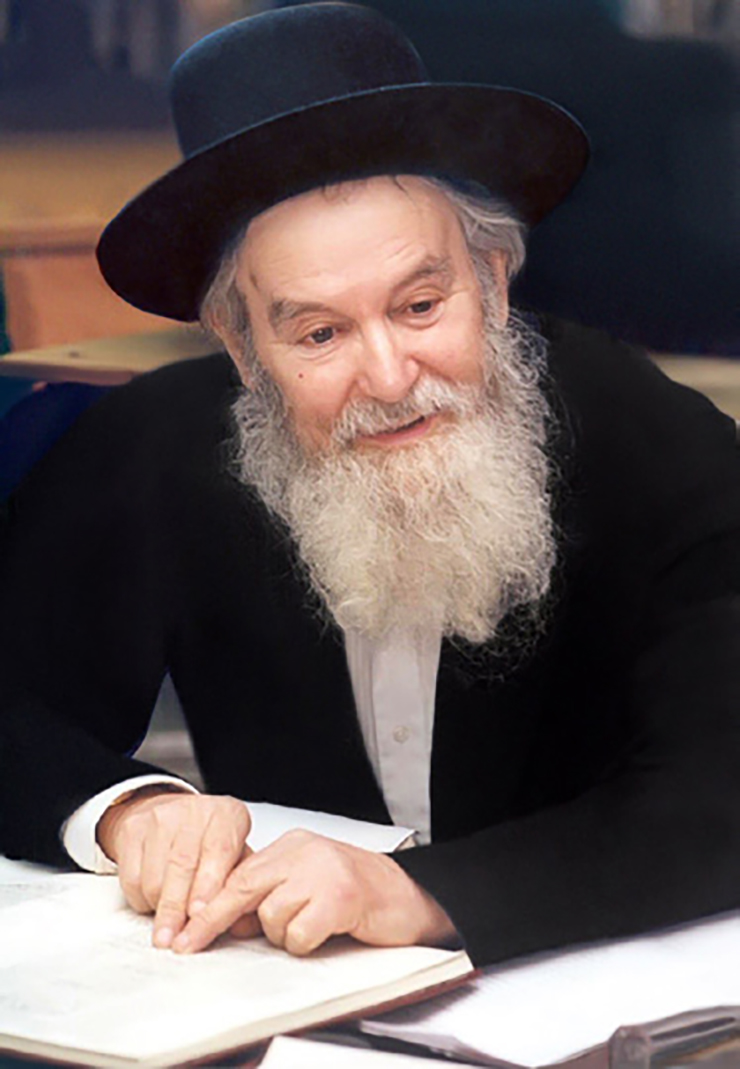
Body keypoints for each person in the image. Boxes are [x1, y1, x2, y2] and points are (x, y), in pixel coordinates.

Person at [1, 2, 739, 969]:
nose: (390, 378)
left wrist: (425, 894)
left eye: (421, 305)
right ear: (243, 345)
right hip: (272, 998)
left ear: (493, 281)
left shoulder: (650, 436)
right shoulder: (153, 446)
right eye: (320, 333)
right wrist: (128, 810)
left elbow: (720, 788)